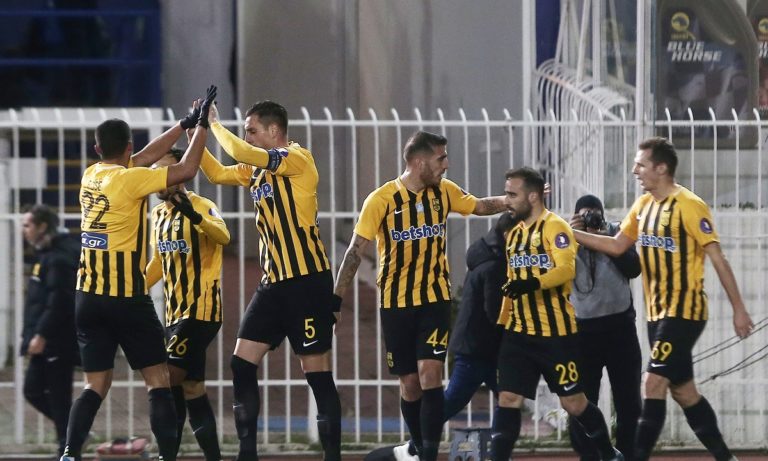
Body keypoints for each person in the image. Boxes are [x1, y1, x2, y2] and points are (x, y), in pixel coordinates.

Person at [571, 137, 753, 461]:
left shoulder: (690, 205)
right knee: (684, 392)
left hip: (684, 311)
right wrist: (570, 233)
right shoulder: (643, 206)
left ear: (661, 168)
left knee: (652, 383)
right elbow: (617, 246)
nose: (635, 170)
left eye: (640, 164)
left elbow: (718, 257)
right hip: (656, 316)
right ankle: (726, 457)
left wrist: (739, 309)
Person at [61, 84, 216, 461]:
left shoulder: (91, 175)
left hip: (87, 296)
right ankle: (167, 457)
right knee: (158, 381)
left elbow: (145, 156)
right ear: (128, 148)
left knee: (94, 385)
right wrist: (201, 128)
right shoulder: (131, 180)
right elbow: (186, 169)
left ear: (97, 149)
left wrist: (182, 124)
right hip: (127, 298)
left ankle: (69, 453)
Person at [333, 130, 508, 461]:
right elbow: (355, 251)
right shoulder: (381, 200)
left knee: (430, 375)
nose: (446, 164)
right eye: (440, 158)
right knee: (410, 384)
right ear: (418, 162)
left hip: (434, 300)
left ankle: (428, 454)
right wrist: (336, 298)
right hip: (395, 304)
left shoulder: (444, 191)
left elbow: (479, 205)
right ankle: (416, 447)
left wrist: (511, 199)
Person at [199, 101, 341, 461]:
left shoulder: (297, 158)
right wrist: (197, 134)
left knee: (316, 373)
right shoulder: (256, 170)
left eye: (252, 129)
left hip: (306, 282)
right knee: (241, 363)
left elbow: (240, 151)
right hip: (273, 283)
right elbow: (216, 173)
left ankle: (333, 456)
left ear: (274, 130)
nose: (247, 136)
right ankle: (247, 453)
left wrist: (215, 124)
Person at [492, 167, 623, 461]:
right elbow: (511, 284)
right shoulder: (514, 234)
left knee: (573, 403)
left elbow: (566, 269)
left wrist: (533, 283)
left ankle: (608, 454)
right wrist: (501, 325)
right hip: (517, 334)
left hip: (555, 336)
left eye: (512, 194)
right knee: (508, 399)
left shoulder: (556, 227)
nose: (506, 200)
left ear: (533, 196)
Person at [145, 148, 231, 461]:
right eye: (154, 172)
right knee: (191, 388)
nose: (158, 178)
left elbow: (223, 236)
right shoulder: (157, 215)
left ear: (180, 174)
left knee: (166, 381)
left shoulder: (202, 205)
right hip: (174, 314)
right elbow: (159, 261)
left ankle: (165, 455)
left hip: (200, 310)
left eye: (164, 171)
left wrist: (193, 216)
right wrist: (132, 289)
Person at [567, 195, 642, 461]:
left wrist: (603, 239)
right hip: (583, 333)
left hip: (620, 329)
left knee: (629, 402)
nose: (591, 220)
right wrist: (572, 236)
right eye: (584, 215)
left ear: (602, 214)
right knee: (582, 402)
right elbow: (556, 270)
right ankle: (591, 456)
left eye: (594, 214)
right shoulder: (567, 237)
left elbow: (634, 268)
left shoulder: (616, 233)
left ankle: (628, 455)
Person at [20, 204, 80, 457]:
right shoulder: (47, 253)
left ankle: (69, 447)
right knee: (35, 391)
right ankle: (72, 436)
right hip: (47, 339)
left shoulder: (58, 257)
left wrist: (41, 334)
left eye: (27, 225)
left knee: (57, 396)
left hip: (56, 340)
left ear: (42, 226)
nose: (24, 230)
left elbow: (59, 301)